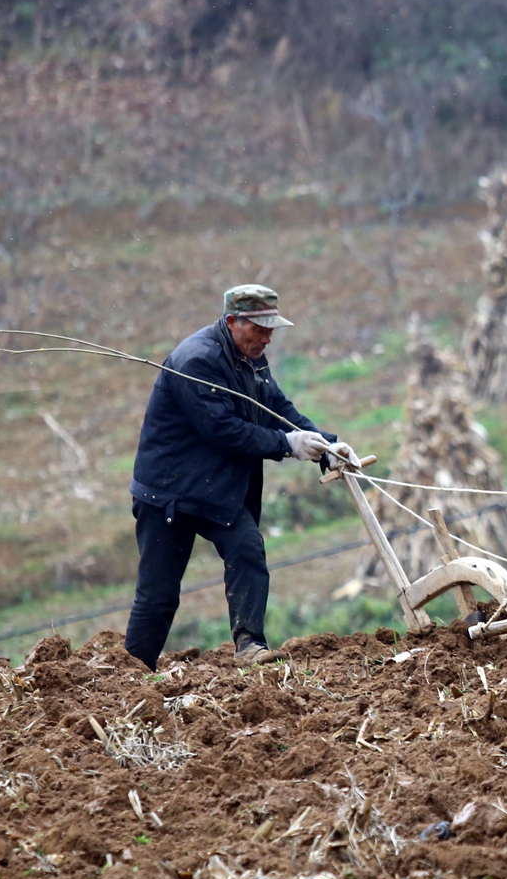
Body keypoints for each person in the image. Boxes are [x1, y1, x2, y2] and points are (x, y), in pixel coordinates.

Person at [124, 284, 352, 668]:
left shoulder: (251, 357)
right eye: (259, 329)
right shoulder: (196, 362)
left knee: (247, 548)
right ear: (232, 321)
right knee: (159, 594)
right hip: (170, 492)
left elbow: (277, 407)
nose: (267, 338)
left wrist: (328, 446)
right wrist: (287, 444)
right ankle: (132, 674)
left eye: (271, 330)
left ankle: (249, 646)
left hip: (215, 488)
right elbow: (224, 430)